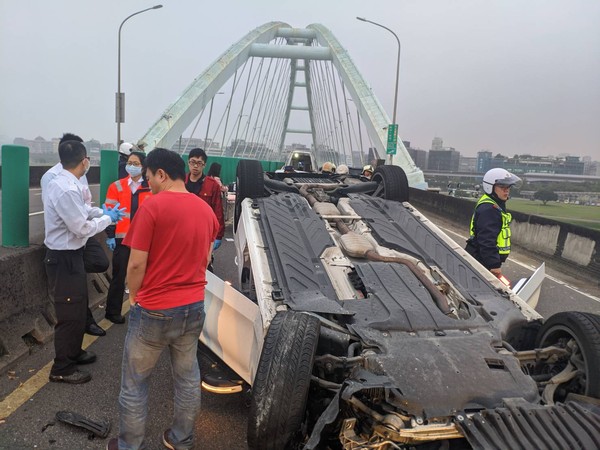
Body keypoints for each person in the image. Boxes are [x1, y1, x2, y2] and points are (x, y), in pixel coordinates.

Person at [107, 148, 218, 450]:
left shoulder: (153, 208)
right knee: (186, 378)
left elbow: (135, 264)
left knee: (135, 383)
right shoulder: (206, 211)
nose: (148, 184)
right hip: (193, 308)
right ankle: (181, 439)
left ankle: (130, 445)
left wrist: (135, 297)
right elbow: (205, 257)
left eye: (148, 177)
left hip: (154, 308)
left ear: (161, 174)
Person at [44, 140, 124, 384]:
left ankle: (74, 352)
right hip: (64, 258)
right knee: (69, 314)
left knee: (78, 310)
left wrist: (102, 212)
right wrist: (107, 220)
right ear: (84, 160)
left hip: (73, 257)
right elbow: (80, 227)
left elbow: (84, 211)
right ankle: (62, 368)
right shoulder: (65, 188)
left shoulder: (70, 183)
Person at [41, 132, 108, 337]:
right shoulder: (56, 180)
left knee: (96, 267)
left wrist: (100, 212)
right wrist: (107, 219)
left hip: (79, 242)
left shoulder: (77, 175)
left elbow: (83, 205)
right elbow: (75, 220)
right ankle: (66, 362)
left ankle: (76, 344)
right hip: (67, 246)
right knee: (70, 305)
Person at [103, 151, 152, 324]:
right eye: (129, 162)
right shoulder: (116, 186)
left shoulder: (151, 187)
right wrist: (110, 235)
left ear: (144, 166)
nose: (131, 166)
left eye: (136, 163)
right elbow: (108, 212)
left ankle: (143, 310)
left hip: (144, 241)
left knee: (145, 277)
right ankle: (112, 311)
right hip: (121, 240)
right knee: (118, 276)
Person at [465, 168, 521, 280]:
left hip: (481, 257)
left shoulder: (494, 204)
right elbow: (487, 239)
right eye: (502, 187)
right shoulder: (490, 209)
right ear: (490, 187)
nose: (506, 191)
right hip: (482, 259)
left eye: (508, 187)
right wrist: (494, 264)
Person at [184, 148, 225, 251]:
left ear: (204, 165)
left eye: (199, 163)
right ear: (188, 162)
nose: (195, 166)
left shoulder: (212, 185)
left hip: (203, 232)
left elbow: (218, 210)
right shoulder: (180, 181)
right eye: (193, 162)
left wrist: (218, 235)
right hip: (183, 229)